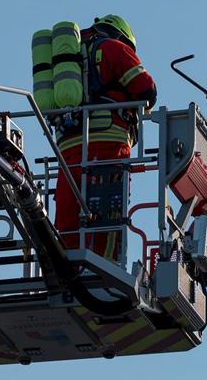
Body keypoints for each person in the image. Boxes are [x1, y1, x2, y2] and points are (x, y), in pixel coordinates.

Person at [53, 15, 157, 261]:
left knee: (69, 212)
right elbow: (146, 90)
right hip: (108, 141)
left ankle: (69, 267)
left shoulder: (68, 59)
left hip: (68, 146)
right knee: (107, 209)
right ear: (122, 35)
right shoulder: (114, 47)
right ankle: (104, 269)